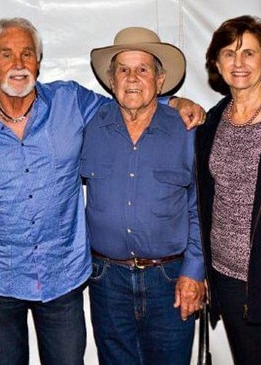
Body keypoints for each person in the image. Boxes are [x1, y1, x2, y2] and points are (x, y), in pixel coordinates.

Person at [0, 17, 204, 365]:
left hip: (62, 278)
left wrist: (174, 102)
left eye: (27, 53)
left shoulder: (71, 102)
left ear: (39, 61)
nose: (19, 64)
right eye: (6, 55)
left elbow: (132, 102)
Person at [81, 27, 204, 365]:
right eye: (123, 69)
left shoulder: (188, 131)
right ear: (110, 80)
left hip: (171, 280)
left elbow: (202, 209)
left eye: (142, 69)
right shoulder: (89, 125)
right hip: (107, 279)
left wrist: (194, 272)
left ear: (160, 80)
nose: (132, 78)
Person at [197, 15, 261, 364]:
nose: (239, 63)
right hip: (227, 277)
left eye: (249, 53)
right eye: (229, 53)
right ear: (217, 63)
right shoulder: (210, 122)